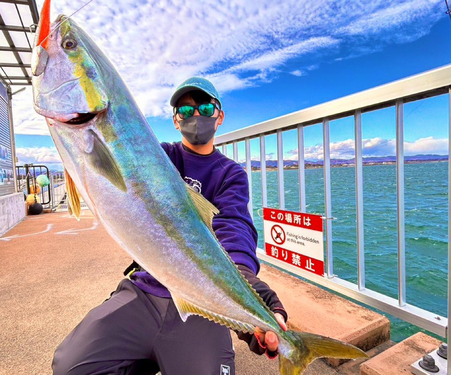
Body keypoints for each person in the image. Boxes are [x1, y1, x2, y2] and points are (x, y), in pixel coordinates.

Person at [52, 77, 288, 375]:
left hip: (202, 301)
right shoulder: (157, 157)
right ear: (175, 121)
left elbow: (235, 228)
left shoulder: (230, 173)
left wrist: (247, 286)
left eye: (204, 107)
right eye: (185, 111)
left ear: (220, 116)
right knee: (71, 368)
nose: (196, 116)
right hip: (145, 289)